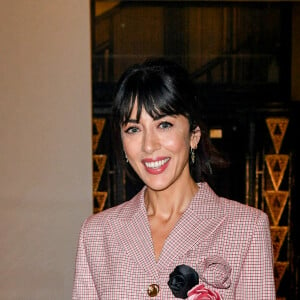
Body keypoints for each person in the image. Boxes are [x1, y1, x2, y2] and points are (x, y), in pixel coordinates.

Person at [72, 58, 276, 299]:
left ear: (194, 135)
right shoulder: (97, 233)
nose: (149, 145)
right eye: (134, 129)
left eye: (164, 125)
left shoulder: (246, 228)